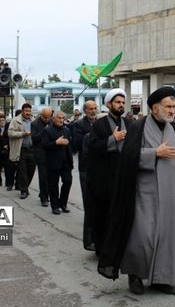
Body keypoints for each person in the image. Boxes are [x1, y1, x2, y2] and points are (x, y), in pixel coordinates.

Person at [97, 86, 175, 295]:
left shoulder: (173, 128)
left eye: (174, 106)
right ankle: (135, 275)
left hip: (171, 194)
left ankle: (161, 278)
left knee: (168, 236)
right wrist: (155, 153)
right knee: (142, 236)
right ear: (155, 108)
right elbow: (127, 157)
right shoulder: (138, 127)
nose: (173, 110)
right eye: (168, 106)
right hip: (144, 193)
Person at [87, 88, 130, 254]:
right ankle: (103, 248)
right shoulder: (99, 125)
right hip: (104, 179)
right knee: (104, 214)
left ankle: (120, 245)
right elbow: (93, 147)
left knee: (122, 213)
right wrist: (114, 139)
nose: (121, 105)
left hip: (123, 176)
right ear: (108, 104)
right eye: (118, 102)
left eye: (122, 103)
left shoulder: (130, 123)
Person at [71, 100, 98, 250]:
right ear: (85, 111)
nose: (93, 111)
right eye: (90, 109)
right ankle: (90, 237)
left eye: (95, 108)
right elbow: (76, 144)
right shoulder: (79, 125)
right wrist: (91, 136)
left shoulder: (101, 122)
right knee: (88, 200)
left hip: (100, 166)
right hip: (86, 167)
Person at [42, 110, 74, 214]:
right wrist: (56, 142)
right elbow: (44, 145)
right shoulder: (47, 130)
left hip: (66, 163)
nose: (61, 120)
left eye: (62, 118)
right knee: (53, 185)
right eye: (59, 118)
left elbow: (69, 145)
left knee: (68, 181)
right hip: (53, 162)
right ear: (53, 119)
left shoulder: (67, 130)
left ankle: (63, 203)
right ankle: (55, 206)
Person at [8, 103, 36, 200]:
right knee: (22, 171)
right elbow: (10, 133)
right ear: (22, 111)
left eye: (29, 111)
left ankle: (25, 187)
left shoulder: (34, 120)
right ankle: (23, 191)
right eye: (26, 111)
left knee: (31, 170)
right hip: (21, 149)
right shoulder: (15, 121)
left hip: (32, 149)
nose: (28, 113)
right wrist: (23, 134)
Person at [32, 107, 52, 206]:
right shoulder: (35, 124)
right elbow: (34, 138)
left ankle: (45, 194)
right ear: (41, 115)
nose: (47, 119)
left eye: (49, 117)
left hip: (51, 153)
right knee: (43, 177)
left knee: (50, 177)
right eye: (45, 117)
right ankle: (44, 198)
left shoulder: (52, 122)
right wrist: (45, 131)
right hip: (40, 154)